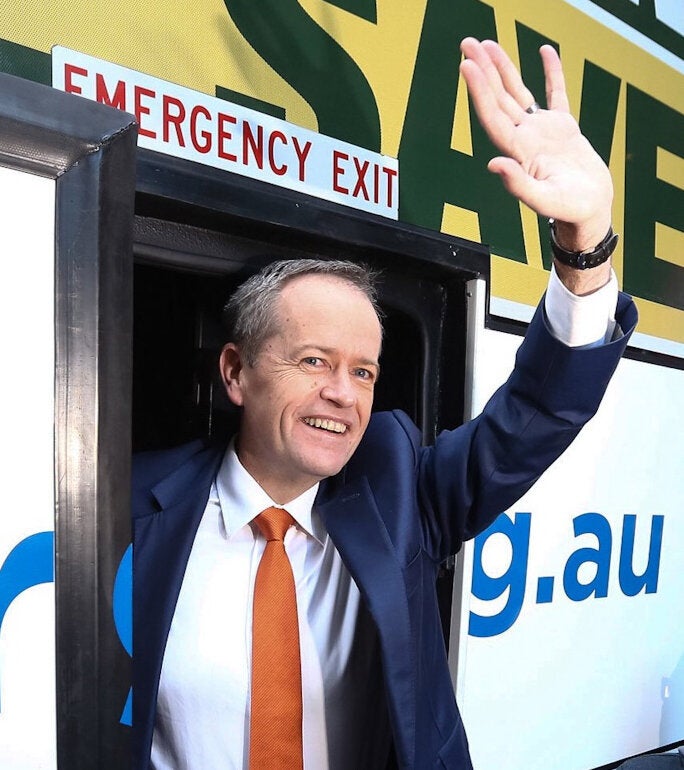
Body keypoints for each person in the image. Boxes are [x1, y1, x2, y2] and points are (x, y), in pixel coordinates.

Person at [132, 38, 638, 769]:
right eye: (315, 362)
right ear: (236, 373)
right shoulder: (126, 504)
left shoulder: (400, 492)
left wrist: (584, 241)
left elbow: (536, 413)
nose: (343, 392)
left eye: (365, 372)